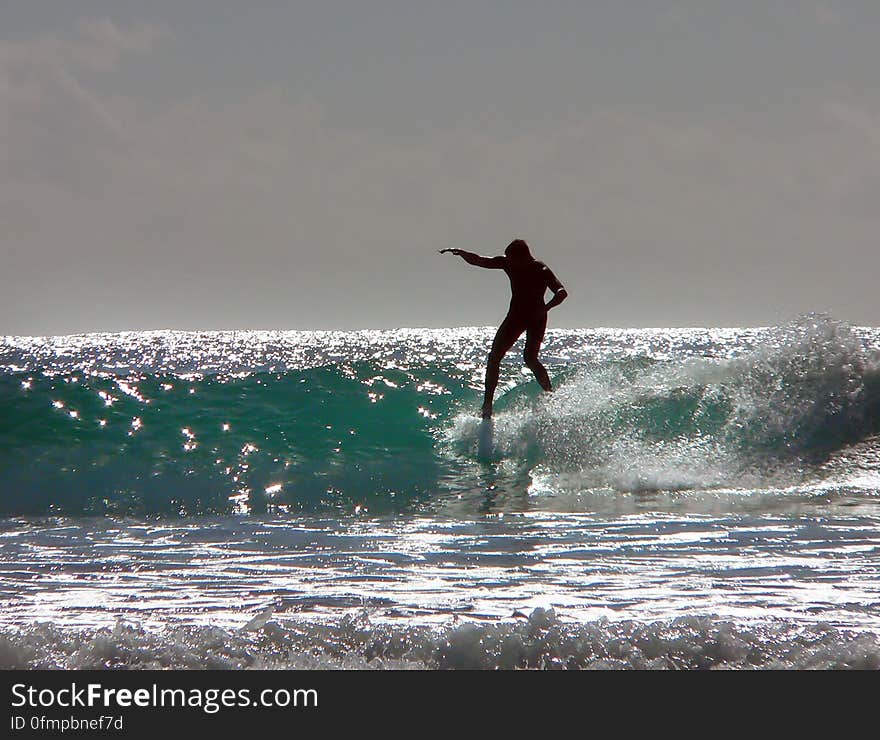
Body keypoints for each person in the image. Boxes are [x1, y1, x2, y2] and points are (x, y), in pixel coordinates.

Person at [440, 239, 567, 418]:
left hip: (536, 318)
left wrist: (545, 308)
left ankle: (550, 394)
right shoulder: (508, 263)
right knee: (494, 357)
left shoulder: (541, 270)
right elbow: (480, 260)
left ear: (524, 257)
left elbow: (561, 292)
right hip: (515, 316)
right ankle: (487, 407)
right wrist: (461, 253)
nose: (509, 262)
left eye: (513, 259)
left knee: (530, 359)